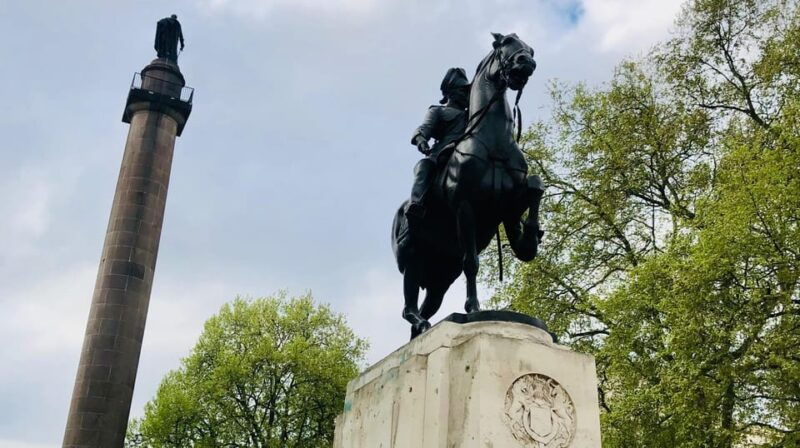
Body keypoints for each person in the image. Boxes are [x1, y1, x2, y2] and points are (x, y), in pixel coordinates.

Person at [406, 67, 470, 222]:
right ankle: (415, 203)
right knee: (424, 167)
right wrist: (421, 139)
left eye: (467, 91)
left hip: (469, 153)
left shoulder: (473, 114)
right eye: (462, 90)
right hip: (442, 154)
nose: (466, 94)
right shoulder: (438, 111)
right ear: (450, 92)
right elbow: (424, 129)